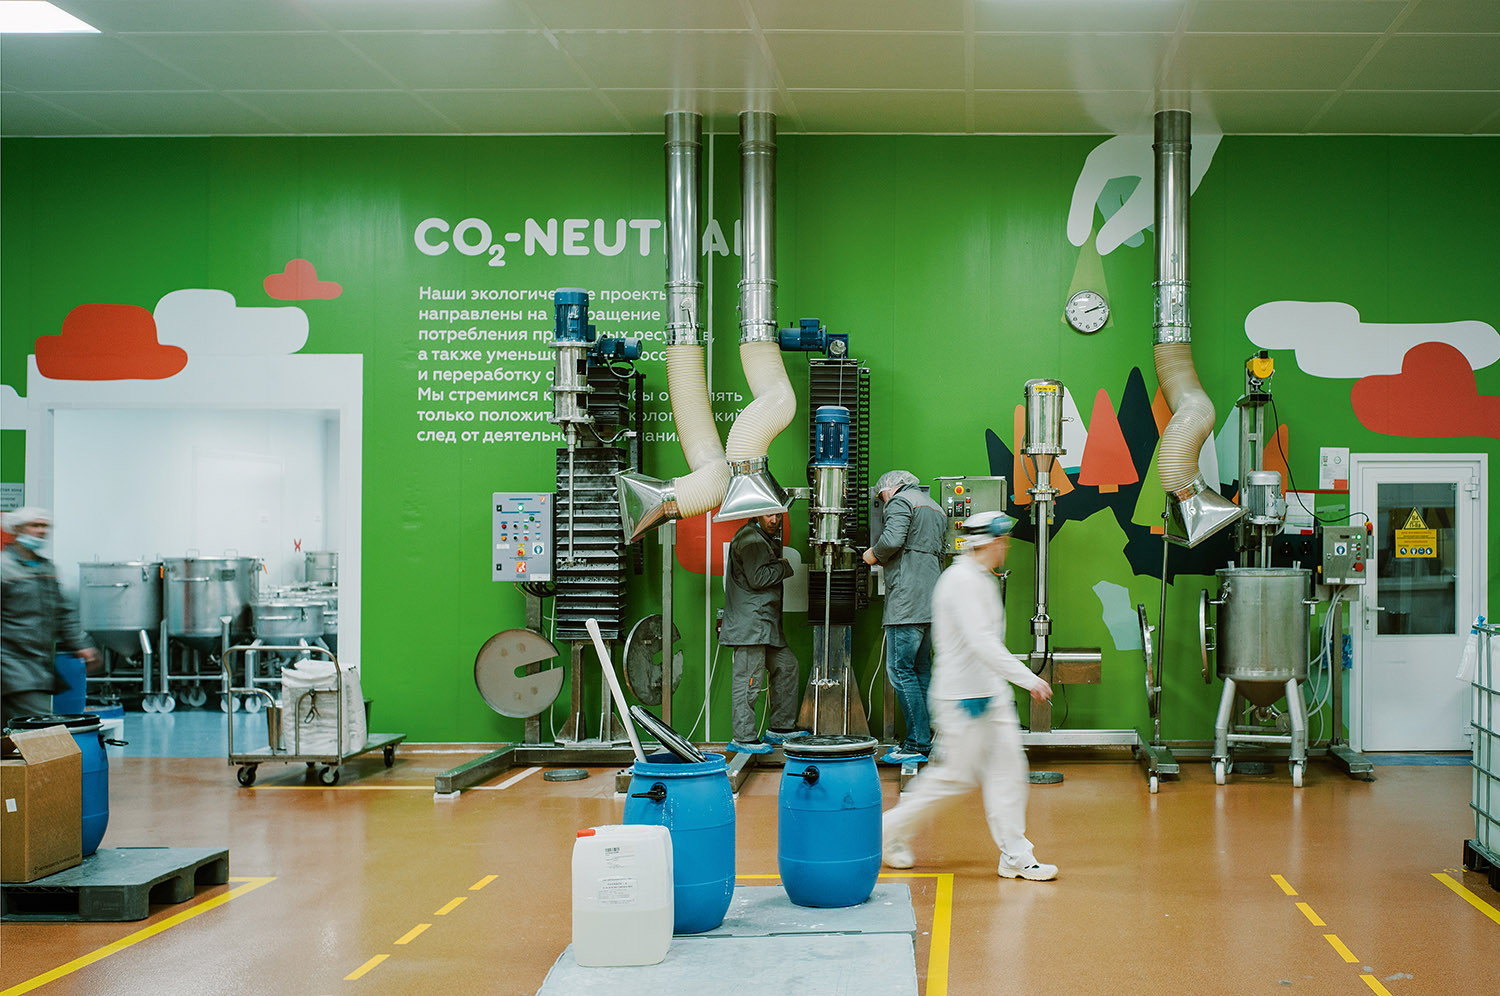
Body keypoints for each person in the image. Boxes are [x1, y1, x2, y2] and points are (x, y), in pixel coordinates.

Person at [881, 510, 1058, 881]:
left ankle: (1016, 855)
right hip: (962, 698)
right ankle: (888, 831)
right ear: (987, 543)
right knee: (955, 778)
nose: (1006, 548)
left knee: (1009, 769)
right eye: (1002, 541)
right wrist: (1029, 680)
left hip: (990, 694)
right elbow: (982, 642)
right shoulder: (960, 581)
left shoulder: (981, 578)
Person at [863, 469, 946, 764]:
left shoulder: (900, 502)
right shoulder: (934, 506)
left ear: (890, 488)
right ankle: (925, 740)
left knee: (900, 671)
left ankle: (915, 743)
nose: (882, 501)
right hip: (930, 601)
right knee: (921, 670)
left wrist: (873, 554)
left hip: (906, 603)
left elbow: (891, 540)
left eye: (881, 496)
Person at [1, 507, 98, 727]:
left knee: (10, 732)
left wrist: (81, 644)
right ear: (17, 529)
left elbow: (63, 611)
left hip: (38, 664)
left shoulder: (47, 568)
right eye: (34, 525)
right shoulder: (4, 568)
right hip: (12, 664)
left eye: (45, 526)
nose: (41, 531)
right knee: (42, 729)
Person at [720, 509, 805, 754]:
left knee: (787, 666)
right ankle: (744, 737)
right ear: (757, 514)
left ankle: (780, 728)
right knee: (749, 680)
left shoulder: (760, 538)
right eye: (769, 515)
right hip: (751, 625)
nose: (774, 520)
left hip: (765, 624)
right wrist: (784, 567)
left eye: (778, 515)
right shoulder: (751, 540)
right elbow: (757, 578)